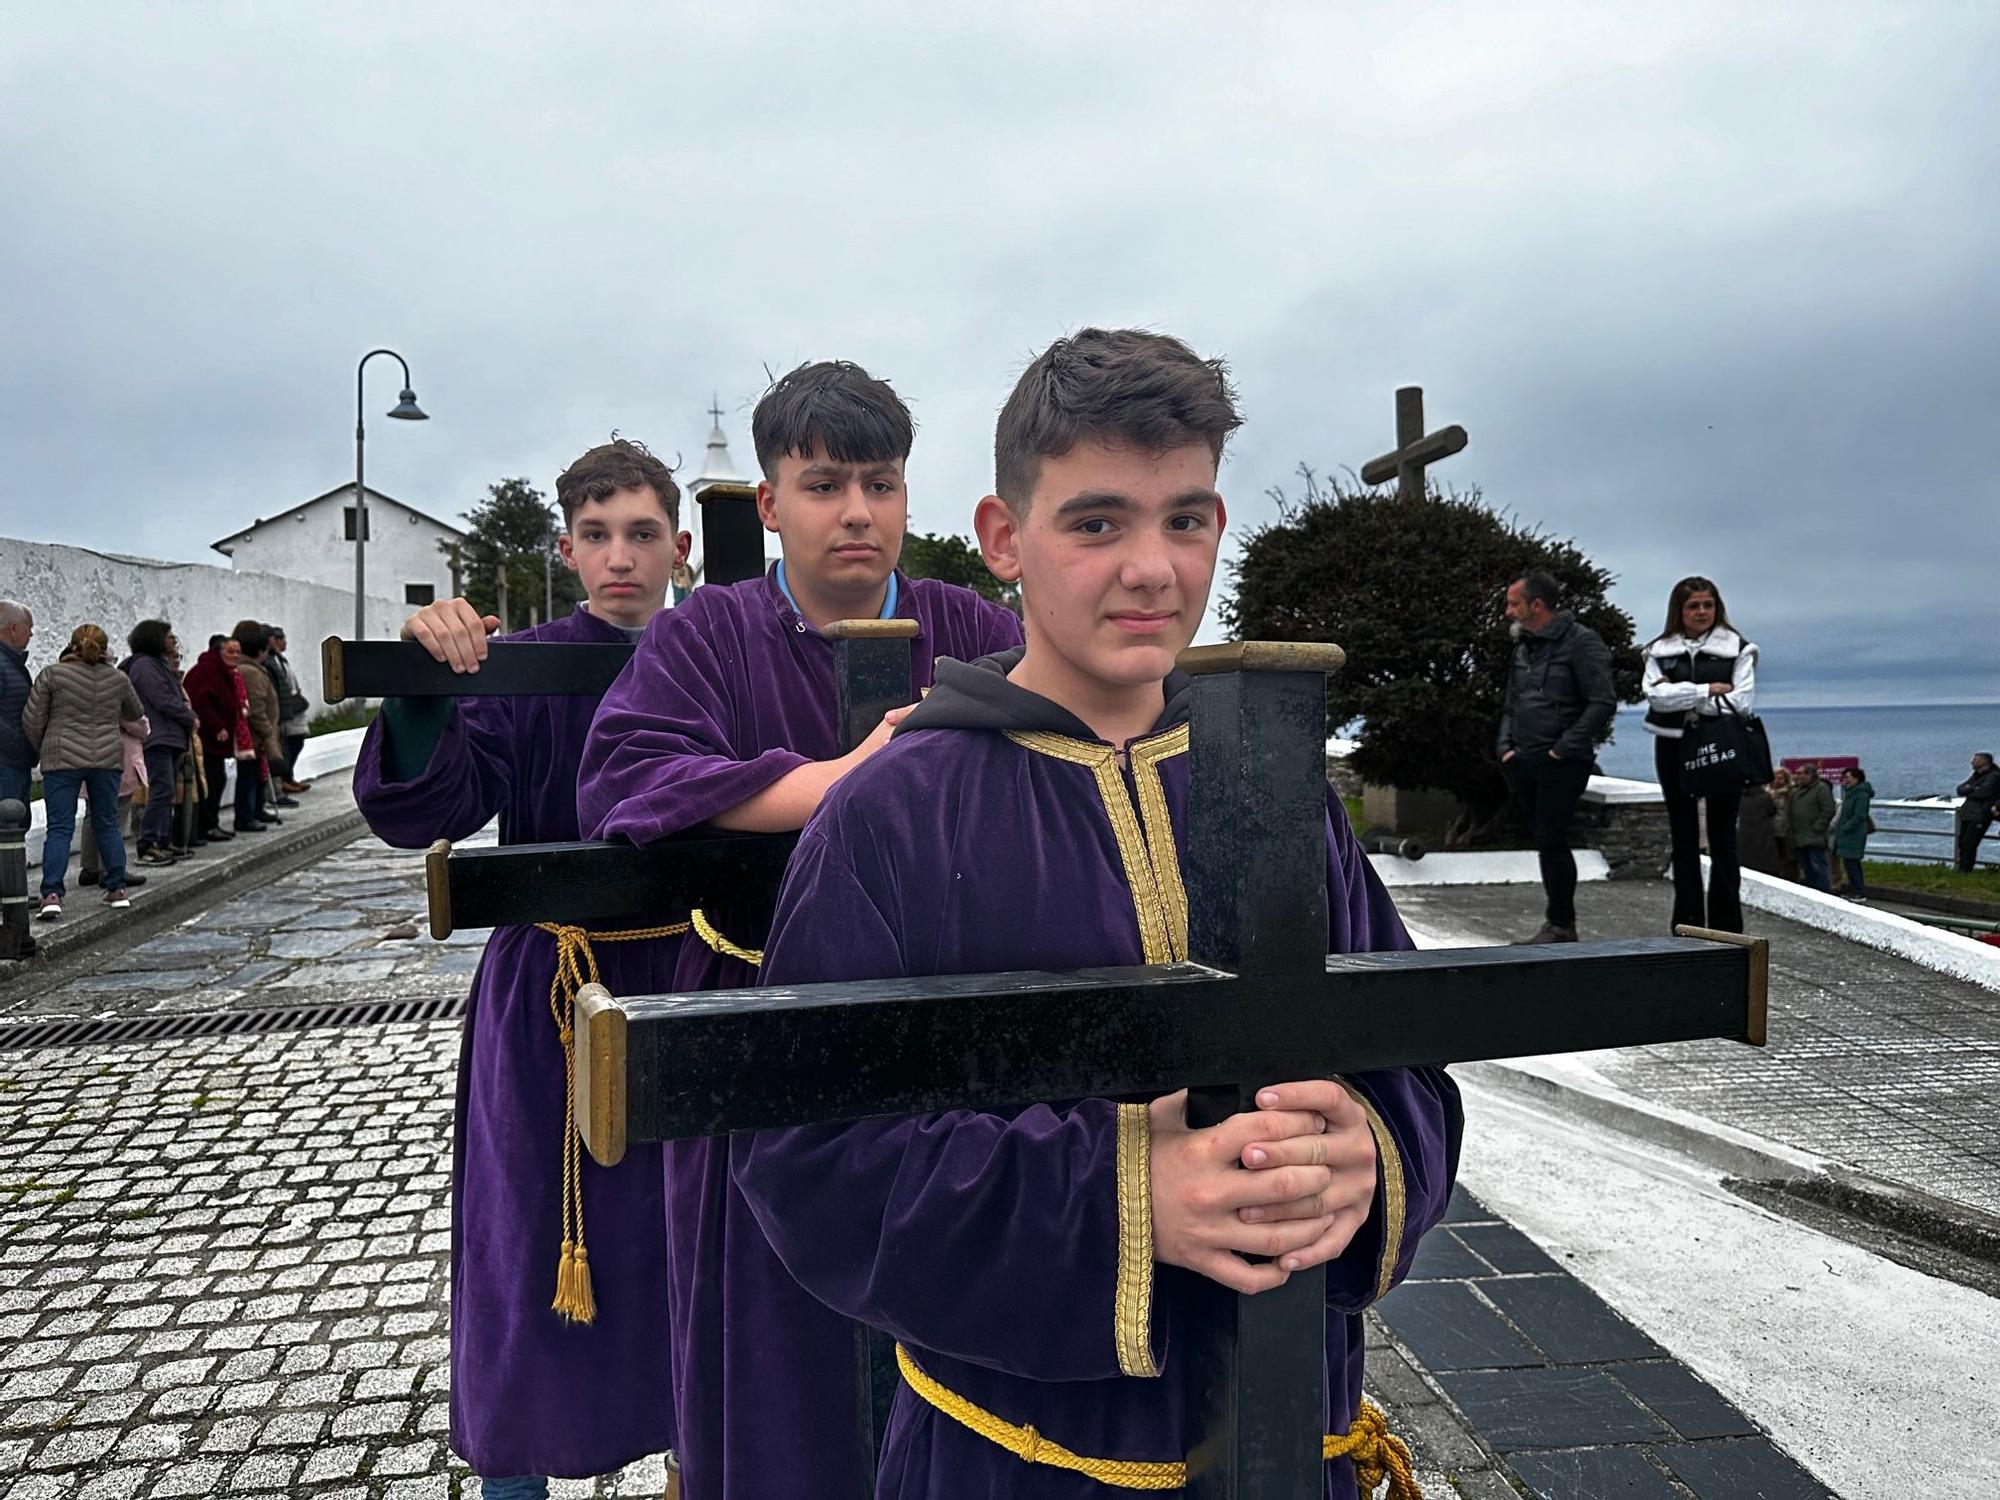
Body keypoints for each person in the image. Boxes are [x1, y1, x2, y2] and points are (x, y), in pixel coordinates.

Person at [723, 328, 1461, 1500]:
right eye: (1097, 522)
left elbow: (1405, 1056)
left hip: (1289, 1451)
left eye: (1188, 519)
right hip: (1012, 1465)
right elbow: (807, 1155)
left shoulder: (1274, 791)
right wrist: (1126, 1197)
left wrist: (1367, 1159)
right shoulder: (890, 816)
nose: (1154, 570)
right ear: (1004, 537)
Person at [576, 361, 1025, 1498]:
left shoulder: (968, 625)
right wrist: (835, 781)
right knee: (772, 1338)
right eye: (824, 484)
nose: (859, 513)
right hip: (757, 1025)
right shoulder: (707, 634)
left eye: (880, 483)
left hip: (945, 1035)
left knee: (951, 1323)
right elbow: (626, 774)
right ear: (770, 504)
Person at [354, 437, 697, 1500]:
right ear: (565, 549)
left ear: (680, 545)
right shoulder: (522, 667)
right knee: (532, 1260)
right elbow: (431, 808)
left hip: (693, 989)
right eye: (597, 536)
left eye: (642, 533)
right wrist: (425, 688)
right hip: (552, 999)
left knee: (698, 1257)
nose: (621, 558)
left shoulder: (724, 656)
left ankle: (712, 1466)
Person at [1498, 569, 1615, 942]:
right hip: (1524, 759)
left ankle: (1561, 924)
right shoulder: (1523, 646)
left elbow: (1601, 702)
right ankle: (1559, 923)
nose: (1507, 612)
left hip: (1562, 761)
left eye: (1513, 603)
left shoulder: (1581, 642)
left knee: (1552, 837)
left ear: (1537, 605)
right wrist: (1506, 749)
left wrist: (1561, 749)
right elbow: (1512, 704)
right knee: (1543, 838)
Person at [1640, 576, 1757, 933]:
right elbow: (1656, 698)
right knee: (1683, 836)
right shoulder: (1657, 650)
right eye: (1694, 606)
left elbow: (1740, 701)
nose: (1702, 612)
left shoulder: (1738, 648)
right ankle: (1686, 921)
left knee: (1723, 837)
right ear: (1680, 610)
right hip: (1673, 745)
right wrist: (1707, 690)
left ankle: (1726, 925)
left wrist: (1681, 693)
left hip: (1722, 745)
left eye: (1708, 605)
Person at [24, 624, 145, 915]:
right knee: (107, 823)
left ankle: (51, 894)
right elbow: (135, 712)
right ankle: (116, 888)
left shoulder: (53, 674)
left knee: (60, 828)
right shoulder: (118, 678)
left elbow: (32, 718)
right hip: (106, 759)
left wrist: (45, 745)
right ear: (104, 649)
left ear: (72, 645)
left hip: (61, 758)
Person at [123, 620, 197, 866]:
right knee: (161, 789)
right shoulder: (145, 665)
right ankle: (149, 843)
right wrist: (189, 717)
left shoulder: (158, 664)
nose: (174, 639)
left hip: (169, 735)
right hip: (158, 736)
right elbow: (162, 698)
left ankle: (163, 840)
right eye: (168, 636)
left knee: (166, 792)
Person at [183, 637, 247, 841]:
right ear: (218, 652)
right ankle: (206, 826)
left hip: (216, 740)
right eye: (230, 651)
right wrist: (217, 725)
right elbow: (201, 702)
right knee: (211, 781)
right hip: (208, 739)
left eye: (238, 652)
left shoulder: (223, 672)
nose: (235, 656)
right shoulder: (206, 671)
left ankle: (210, 824)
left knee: (217, 780)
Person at [232, 621, 286, 825]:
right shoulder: (251, 672)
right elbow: (256, 707)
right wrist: (267, 731)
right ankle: (246, 815)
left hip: (258, 735)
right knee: (249, 777)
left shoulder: (253, 669)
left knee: (257, 774)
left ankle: (257, 809)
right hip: (254, 735)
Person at [264, 626, 313, 793]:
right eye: (281, 638)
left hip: (292, 708)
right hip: (285, 710)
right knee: (288, 745)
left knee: (296, 742)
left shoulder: (280, 660)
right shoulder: (271, 662)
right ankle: (284, 779)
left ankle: (288, 777)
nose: (285, 642)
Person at [0, 600, 34, 808]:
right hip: (6, 762)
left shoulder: (12, 662)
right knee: (8, 827)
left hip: (14, 761)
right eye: (29, 628)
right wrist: (19, 744)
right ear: (14, 629)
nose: (31, 635)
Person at [1787, 762, 1836, 892]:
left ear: (1809, 774)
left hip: (1814, 836)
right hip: (1799, 835)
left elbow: (1828, 809)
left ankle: (1824, 893)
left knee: (1818, 866)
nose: (1797, 776)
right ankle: (1813, 892)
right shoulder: (1798, 791)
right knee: (1807, 868)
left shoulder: (1821, 788)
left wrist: (1818, 826)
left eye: (1800, 773)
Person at [1833, 766, 1874, 900]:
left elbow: (1859, 815)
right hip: (1847, 833)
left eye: (1848, 778)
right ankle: (1854, 890)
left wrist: (1845, 827)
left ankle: (1859, 891)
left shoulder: (1861, 794)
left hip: (1854, 834)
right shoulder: (1850, 793)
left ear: (1857, 779)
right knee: (1849, 863)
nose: (1845, 781)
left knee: (1853, 863)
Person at [1956, 752, 1999, 873]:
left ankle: (1966, 870)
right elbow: (1960, 789)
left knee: (1969, 843)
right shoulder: (1976, 775)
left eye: (1975, 759)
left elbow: (1983, 792)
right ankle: (1962, 870)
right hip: (1968, 812)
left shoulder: (1994, 775)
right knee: (1962, 843)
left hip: (1980, 814)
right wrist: (1973, 788)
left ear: (1984, 762)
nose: (1971, 761)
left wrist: (1970, 788)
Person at [1765, 766, 1800, 882]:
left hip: (1786, 828)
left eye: (1781, 778)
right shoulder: (1766, 792)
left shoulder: (1791, 792)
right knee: (1773, 855)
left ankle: (1790, 878)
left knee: (1789, 857)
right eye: (1776, 778)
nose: (1778, 781)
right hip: (1770, 828)